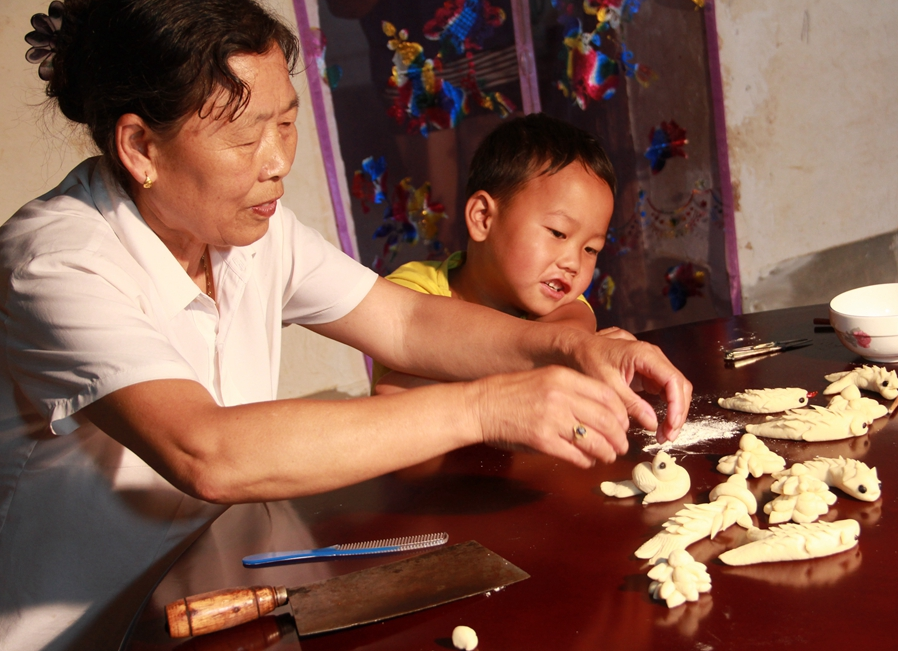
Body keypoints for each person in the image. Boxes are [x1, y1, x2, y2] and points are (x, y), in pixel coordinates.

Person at [0, 1, 691, 649]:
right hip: (88, 630)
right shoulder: (57, 263)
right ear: (140, 147)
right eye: (245, 136)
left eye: (286, 123)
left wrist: (571, 345)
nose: (278, 162)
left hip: (218, 584)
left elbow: (405, 321)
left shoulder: (250, 230)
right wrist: (488, 406)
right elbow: (207, 452)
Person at [374, 112, 630, 393]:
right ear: (483, 217)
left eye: (591, 249)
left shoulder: (558, 301)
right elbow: (393, 392)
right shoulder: (411, 291)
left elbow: (567, 339)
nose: (573, 263)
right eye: (558, 233)